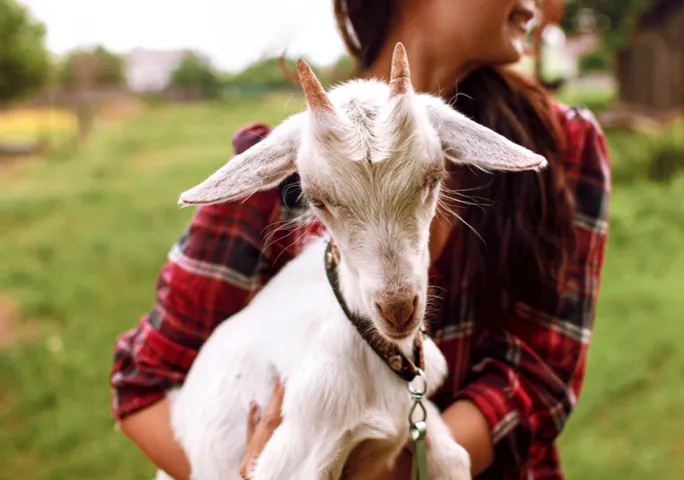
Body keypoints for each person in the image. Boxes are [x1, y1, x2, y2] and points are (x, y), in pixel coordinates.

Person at [109, 0, 612, 478]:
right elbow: (142, 388)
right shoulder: (289, 173)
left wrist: (394, 463)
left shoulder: (561, 147)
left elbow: (538, 377)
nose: (540, 4)